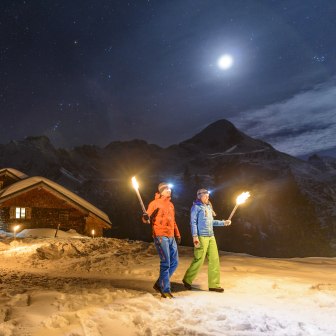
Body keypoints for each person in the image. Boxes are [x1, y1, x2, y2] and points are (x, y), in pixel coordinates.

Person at [182, 188, 231, 292]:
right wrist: (195, 237)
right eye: (205, 196)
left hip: (211, 236)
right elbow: (193, 223)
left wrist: (223, 223)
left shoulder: (208, 207)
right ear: (200, 196)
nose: (207, 197)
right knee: (199, 259)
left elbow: (212, 222)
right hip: (201, 237)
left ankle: (214, 284)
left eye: (208, 196)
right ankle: (187, 279)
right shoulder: (196, 207)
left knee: (214, 260)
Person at [143, 182, 181, 299]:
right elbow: (146, 216)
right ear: (161, 191)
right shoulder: (154, 203)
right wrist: (145, 217)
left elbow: (173, 221)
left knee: (175, 262)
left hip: (171, 236)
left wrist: (177, 234)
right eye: (167, 189)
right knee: (166, 262)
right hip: (160, 235)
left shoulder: (171, 205)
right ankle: (165, 290)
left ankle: (160, 283)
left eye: (170, 189)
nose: (169, 190)